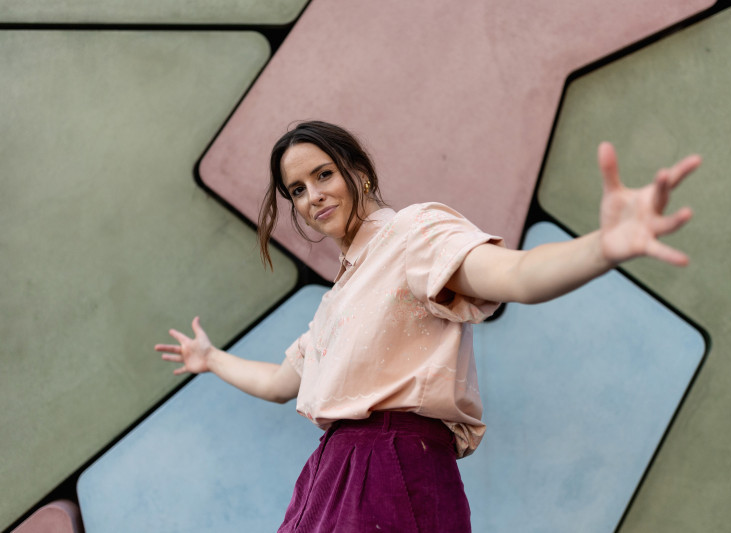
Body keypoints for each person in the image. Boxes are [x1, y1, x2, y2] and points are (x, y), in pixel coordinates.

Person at [155, 121, 701, 532]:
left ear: (360, 173)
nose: (313, 195)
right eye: (296, 189)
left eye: (323, 174)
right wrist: (210, 359)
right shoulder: (338, 298)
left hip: (392, 469)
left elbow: (516, 274)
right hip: (330, 477)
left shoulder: (414, 233)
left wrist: (601, 248)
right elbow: (279, 383)